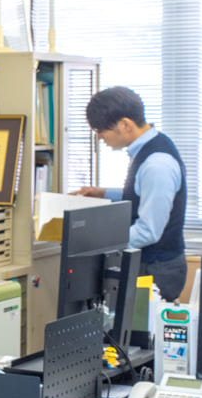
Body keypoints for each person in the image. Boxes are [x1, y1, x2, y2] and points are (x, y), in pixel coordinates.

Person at [69, 86, 190, 302]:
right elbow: (143, 193)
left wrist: (96, 243)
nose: (99, 138)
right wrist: (103, 193)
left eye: (100, 130)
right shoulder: (150, 148)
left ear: (125, 125)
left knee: (137, 335)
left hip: (157, 268)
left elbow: (148, 231)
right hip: (151, 263)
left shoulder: (156, 164)